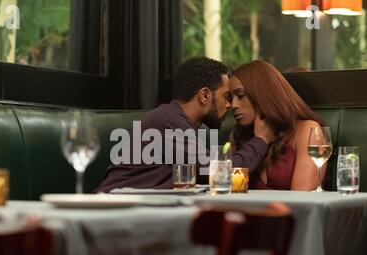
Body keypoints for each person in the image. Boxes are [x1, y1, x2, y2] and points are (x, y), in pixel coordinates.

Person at [96, 57, 273, 193]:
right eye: (226, 97)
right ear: (204, 96)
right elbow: (222, 174)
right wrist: (261, 139)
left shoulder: (177, 121)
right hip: (110, 211)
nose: (230, 105)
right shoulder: (170, 122)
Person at [229, 60, 325, 191]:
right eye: (230, 97)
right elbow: (230, 192)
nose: (233, 105)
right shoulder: (238, 136)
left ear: (262, 94)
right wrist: (260, 140)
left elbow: (303, 199)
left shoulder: (308, 131)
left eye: (240, 95)